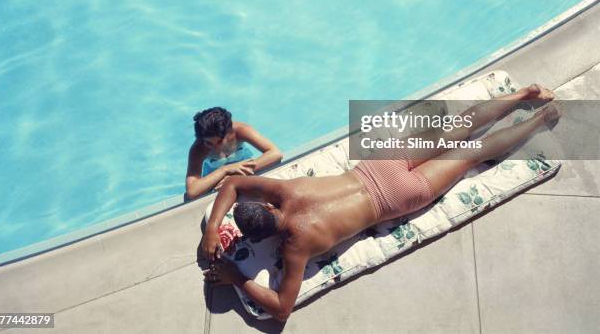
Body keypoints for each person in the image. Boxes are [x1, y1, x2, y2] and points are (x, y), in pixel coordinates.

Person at [202, 85, 560, 321]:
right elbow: (234, 184)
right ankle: (525, 93)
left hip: (396, 195)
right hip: (380, 164)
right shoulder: (285, 190)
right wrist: (214, 229)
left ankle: (542, 118)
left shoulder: (296, 247)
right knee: (459, 131)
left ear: (264, 235)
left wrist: (237, 277)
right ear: (265, 207)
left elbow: (281, 309)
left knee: (472, 154)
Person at [185, 107, 283, 200]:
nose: (216, 148)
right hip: (216, 179)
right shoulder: (198, 148)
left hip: (243, 168)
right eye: (209, 143)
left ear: (229, 132)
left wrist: (235, 174)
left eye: (219, 141)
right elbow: (192, 191)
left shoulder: (240, 130)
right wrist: (224, 170)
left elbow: (275, 153)